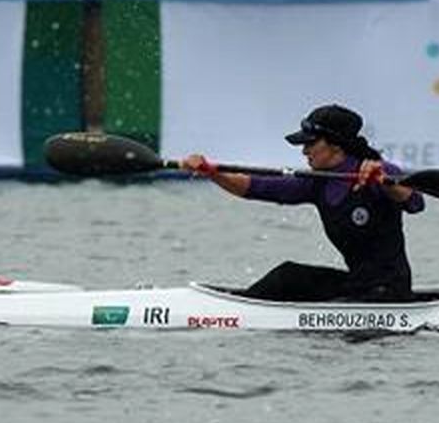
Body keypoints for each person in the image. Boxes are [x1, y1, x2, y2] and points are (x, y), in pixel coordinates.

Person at [181, 104, 425, 302]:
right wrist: (212, 172)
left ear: (335, 145)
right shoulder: (316, 182)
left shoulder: (375, 170)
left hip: (390, 292)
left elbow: (415, 202)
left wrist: (386, 182)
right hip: (358, 285)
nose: (304, 151)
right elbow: (255, 186)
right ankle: (239, 308)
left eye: (310, 144)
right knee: (288, 276)